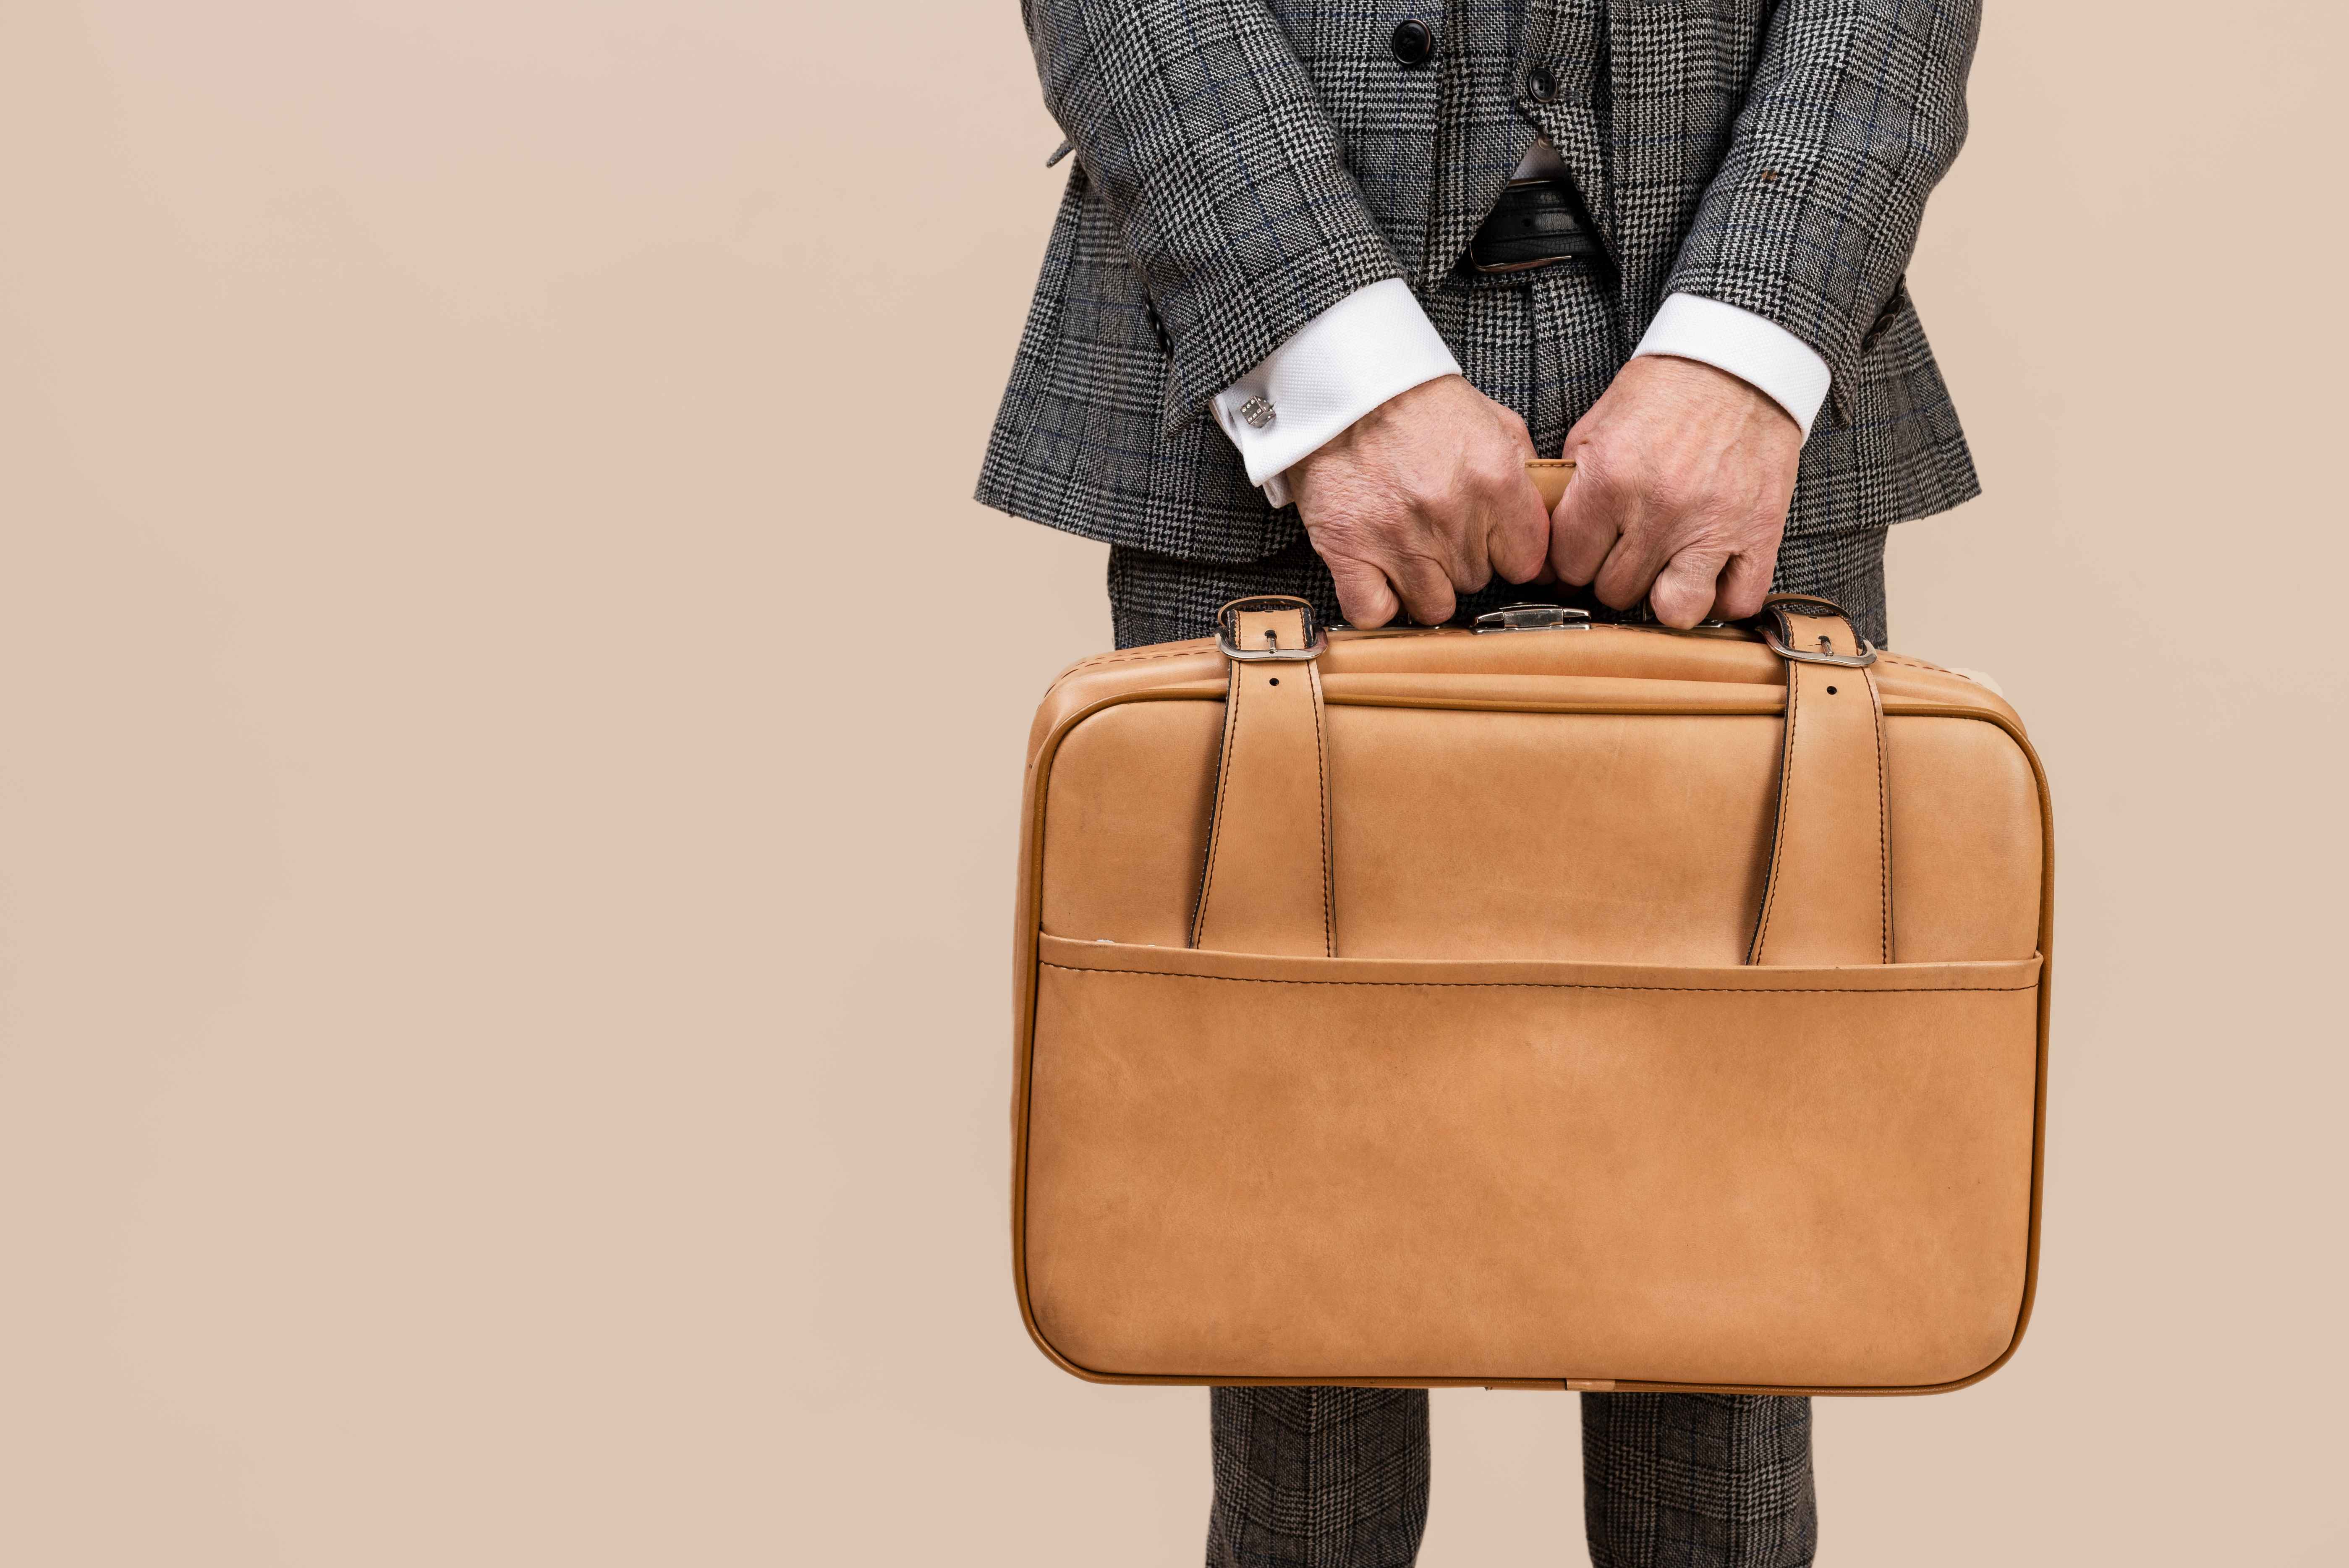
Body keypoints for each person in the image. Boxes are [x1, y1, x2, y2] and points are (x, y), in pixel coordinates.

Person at [977, 1, 1982, 1562]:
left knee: (1732, 1341)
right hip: (1268, 366)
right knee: (1292, 1376)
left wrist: (1751, 342)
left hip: (1737, 406)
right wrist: (1330, 360)